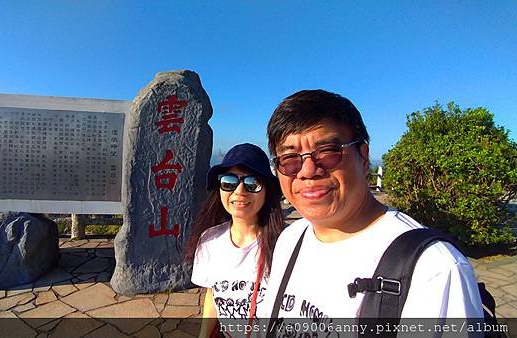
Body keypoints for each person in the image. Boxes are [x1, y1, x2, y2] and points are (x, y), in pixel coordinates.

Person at [261, 90, 482, 329]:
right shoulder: (291, 239)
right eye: (290, 158)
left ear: (363, 157)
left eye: (327, 152)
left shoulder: (434, 269)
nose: (307, 170)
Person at [185, 143, 285, 337]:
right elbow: (213, 295)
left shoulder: (286, 244)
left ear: (267, 190)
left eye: (252, 183)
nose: (240, 191)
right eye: (229, 181)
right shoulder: (209, 240)